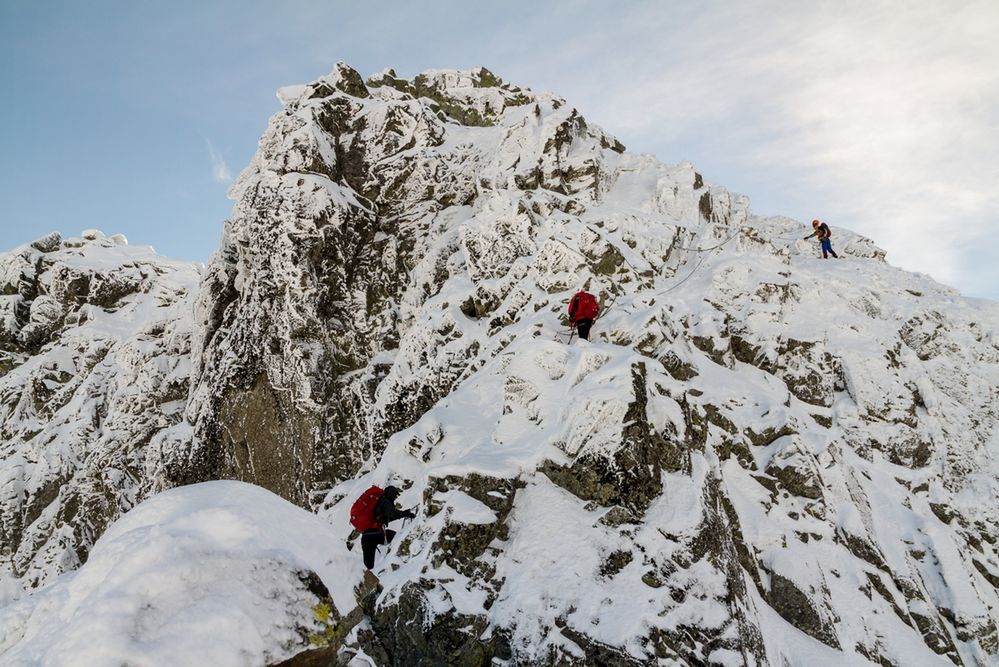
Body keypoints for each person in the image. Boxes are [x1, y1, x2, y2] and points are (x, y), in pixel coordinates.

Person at [350, 485, 415, 570]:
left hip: (366, 537)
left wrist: (404, 514)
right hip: (377, 534)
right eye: (395, 496)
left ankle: (356, 577)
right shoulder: (384, 501)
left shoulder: (377, 502)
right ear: (391, 494)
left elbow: (387, 517)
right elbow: (393, 514)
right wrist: (406, 513)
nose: (395, 498)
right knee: (398, 538)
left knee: (368, 566)